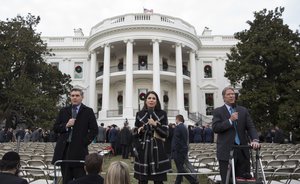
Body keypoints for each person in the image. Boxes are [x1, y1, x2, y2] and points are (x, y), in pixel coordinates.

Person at [212, 86, 260, 184]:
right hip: (226, 152)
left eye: (233, 94)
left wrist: (255, 139)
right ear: (224, 98)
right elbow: (216, 128)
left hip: (242, 151)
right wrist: (230, 121)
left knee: (243, 180)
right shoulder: (218, 111)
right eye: (228, 94)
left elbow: (251, 127)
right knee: (227, 180)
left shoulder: (243, 110)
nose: (231, 96)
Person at [52, 88, 98, 184]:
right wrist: (66, 125)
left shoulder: (88, 111)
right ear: (70, 97)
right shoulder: (64, 111)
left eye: (77, 95)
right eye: (72, 96)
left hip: (79, 151)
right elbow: (55, 128)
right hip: (65, 151)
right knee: (66, 180)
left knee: (80, 180)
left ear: (82, 97)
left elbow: (94, 130)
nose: (74, 98)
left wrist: (84, 142)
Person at [133, 91, 171, 184]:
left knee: (158, 181)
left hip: (157, 150)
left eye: (154, 98)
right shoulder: (139, 114)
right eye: (149, 98)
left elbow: (165, 134)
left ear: (157, 101)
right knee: (142, 181)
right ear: (145, 100)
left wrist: (155, 125)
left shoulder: (162, 114)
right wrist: (140, 130)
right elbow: (135, 133)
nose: (151, 100)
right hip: (143, 150)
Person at [172, 115, 199, 184]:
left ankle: (192, 180)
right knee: (180, 168)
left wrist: (174, 150)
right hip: (183, 150)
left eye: (176, 119)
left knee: (181, 169)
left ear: (177, 119)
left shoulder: (178, 127)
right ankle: (178, 182)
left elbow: (177, 141)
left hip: (179, 151)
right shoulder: (184, 127)